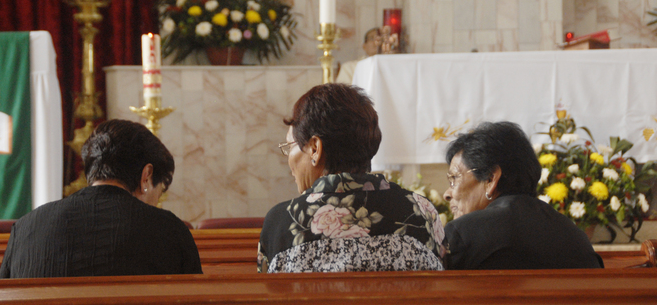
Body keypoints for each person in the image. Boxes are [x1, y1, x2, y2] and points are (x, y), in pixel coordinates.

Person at [258, 83, 445, 273]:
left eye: (291, 146)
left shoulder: (281, 222)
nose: (289, 161)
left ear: (315, 148)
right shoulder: (422, 212)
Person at [0, 119, 202, 278]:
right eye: (159, 193)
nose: (155, 204)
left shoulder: (25, 228)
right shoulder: (170, 231)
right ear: (146, 176)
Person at [442, 121, 603, 270]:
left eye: (454, 179)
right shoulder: (575, 237)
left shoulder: (463, 234)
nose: (447, 195)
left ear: (491, 178)